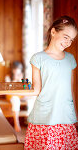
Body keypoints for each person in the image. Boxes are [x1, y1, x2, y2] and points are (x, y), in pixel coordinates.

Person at [24, 15, 78, 149]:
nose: (68, 42)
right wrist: (12, 90)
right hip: (45, 117)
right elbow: (37, 90)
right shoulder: (38, 58)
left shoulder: (70, 59)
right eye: (66, 37)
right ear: (53, 32)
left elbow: (71, 90)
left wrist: (75, 114)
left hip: (66, 116)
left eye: (71, 39)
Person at [5, 61, 36, 132]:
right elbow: (8, 89)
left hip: (21, 95)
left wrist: (20, 80)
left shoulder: (23, 76)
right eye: (15, 69)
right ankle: (16, 123)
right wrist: (15, 79)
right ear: (12, 70)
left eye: (18, 69)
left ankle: (29, 120)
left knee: (32, 99)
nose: (16, 70)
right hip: (11, 95)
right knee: (15, 100)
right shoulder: (8, 77)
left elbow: (25, 88)